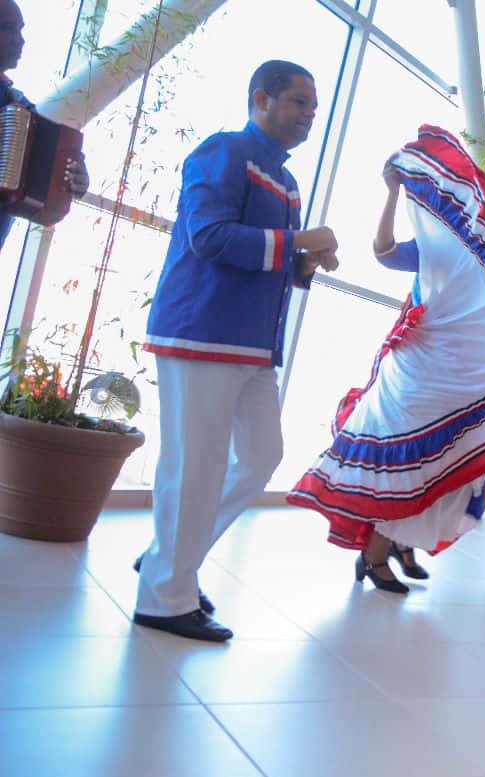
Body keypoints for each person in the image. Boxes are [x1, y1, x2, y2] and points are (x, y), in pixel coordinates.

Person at [288, 126, 485, 592]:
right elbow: (384, 252)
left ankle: (396, 546)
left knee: (446, 459)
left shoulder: (478, 261)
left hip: (451, 368)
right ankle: (377, 555)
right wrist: (392, 192)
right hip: (420, 362)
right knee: (411, 459)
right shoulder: (434, 245)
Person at [133, 61, 339, 642]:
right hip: (202, 329)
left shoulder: (287, 181)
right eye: (299, 102)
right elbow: (209, 236)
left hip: (251, 342)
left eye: (313, 107)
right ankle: (165, 595)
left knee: (260, 457)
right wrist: (296, 242)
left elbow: (270, 259)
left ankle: (165, 560)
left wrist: (304, 262)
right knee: (193, 467)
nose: (308, 116)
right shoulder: (223, 152)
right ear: (261, 99)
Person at [0, 0, 89, 249]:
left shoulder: (18, 107)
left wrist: (73, 178)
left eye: (20, 29)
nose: (20, 40)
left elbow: (56, 167)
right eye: (7, 28)